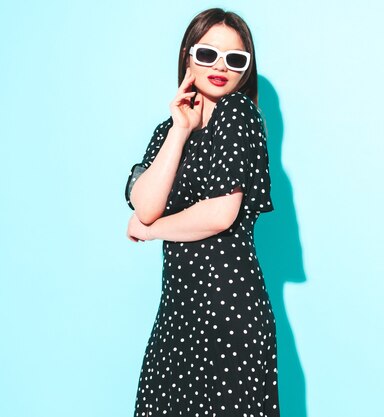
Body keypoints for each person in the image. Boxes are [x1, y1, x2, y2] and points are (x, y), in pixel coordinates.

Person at [124, 8, 280, 417]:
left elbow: (220, 214)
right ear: (188, 56)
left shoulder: (240, 114)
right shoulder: (166, 131)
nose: (221, 67)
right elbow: (145, 203)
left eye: (236, 59)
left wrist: (151, 230)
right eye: (208, 53)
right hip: (178, 314)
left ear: (247, 69)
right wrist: (179, 129)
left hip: (229, 311)